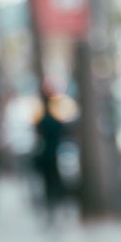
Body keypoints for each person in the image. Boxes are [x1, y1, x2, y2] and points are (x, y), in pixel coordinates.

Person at [33, 91, 72, 222]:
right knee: (57, 182)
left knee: (49, 184)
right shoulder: (55, 121)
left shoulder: (42, 121)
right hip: (54, 155)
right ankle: (61, 207)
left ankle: (52, 208)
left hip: (47, 156)